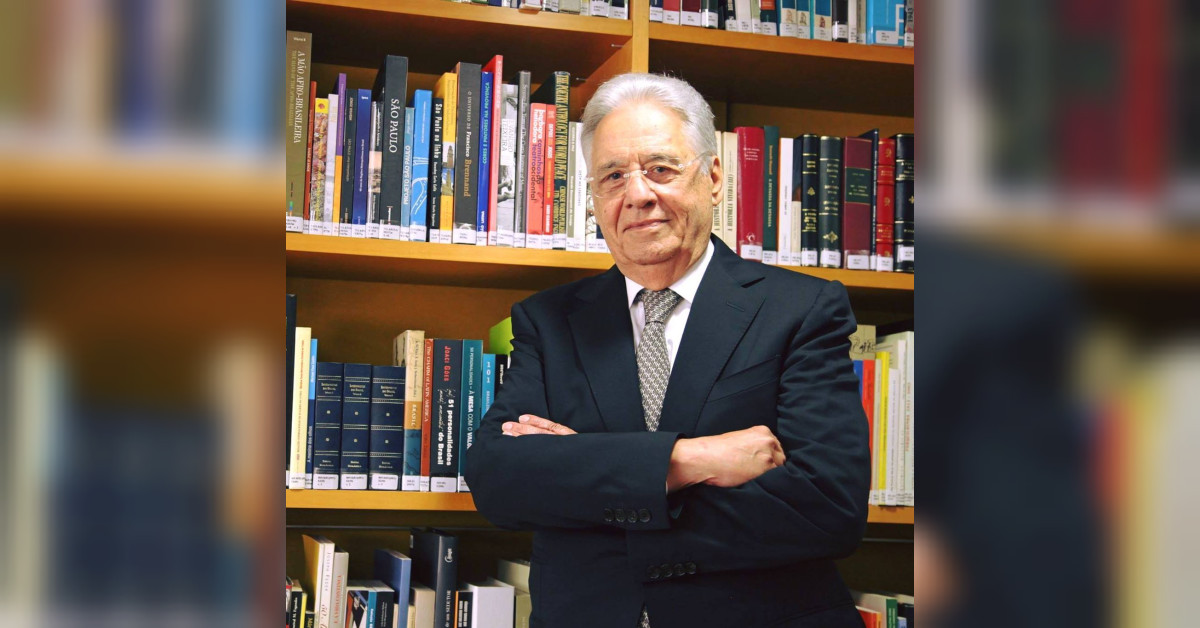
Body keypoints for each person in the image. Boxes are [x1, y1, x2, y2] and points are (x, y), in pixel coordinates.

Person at [464, 73, 871, 628]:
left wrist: (589, 482)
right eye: (613, 176)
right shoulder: (549, 320)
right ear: (594, 198)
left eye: (660, 168)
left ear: (714, 178)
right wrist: (686, 461)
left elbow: (827, 508)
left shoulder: (802, 309)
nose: (637, 195)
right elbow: (499, 481)